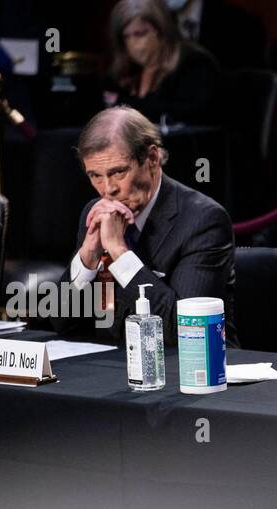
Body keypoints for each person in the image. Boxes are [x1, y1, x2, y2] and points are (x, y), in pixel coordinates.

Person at [54, 106, 237, 346]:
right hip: (113, 368)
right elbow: (63, 322)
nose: (107, 189)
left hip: (191, 370)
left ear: (152, 159)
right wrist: (87, 257)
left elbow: (183, 332)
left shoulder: (203, 220)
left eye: (118, 172)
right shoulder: (95, 214)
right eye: (95, 176)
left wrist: (119, 253)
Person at [104, 0, 220, 126]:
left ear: (160, 30)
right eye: (126, 37)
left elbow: (194, 113)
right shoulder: (121, 72)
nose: (133, 44)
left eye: (139, 33)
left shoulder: (193, 64)